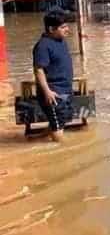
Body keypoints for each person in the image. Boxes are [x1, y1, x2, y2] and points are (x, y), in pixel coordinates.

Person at [33, 10, 74, 142]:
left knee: (61, 120)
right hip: (53, 93)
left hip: (65, 89)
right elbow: (39, 70)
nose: (67, 29)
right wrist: (47, 92)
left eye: (67, 26)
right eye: (63, 27)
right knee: (58, 129)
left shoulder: (61, 40)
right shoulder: (43, 46)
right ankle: (61, 152)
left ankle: (37, 139)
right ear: (51, 29)